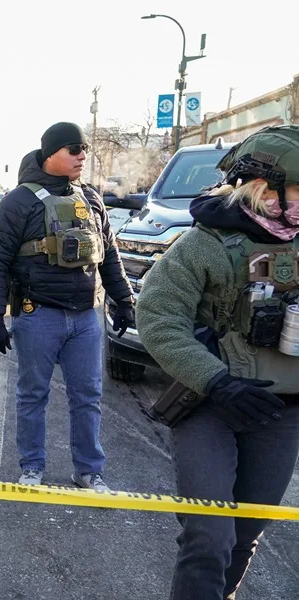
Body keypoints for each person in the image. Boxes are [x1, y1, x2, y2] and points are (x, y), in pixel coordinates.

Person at [137, 125, 299, 600]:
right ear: (264, 189)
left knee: (246, 533)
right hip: (211, 406)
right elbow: (159, 318)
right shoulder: (203, 245)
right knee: (209, 537)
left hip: (282, 413)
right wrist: (217, 382)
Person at [0, 122, 134, 490]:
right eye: (73, 149)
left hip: (86, 317)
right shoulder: (18, 202)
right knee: (33, 395)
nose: (82, 155)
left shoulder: (91, 199)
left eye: (84, 148)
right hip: (38, 315)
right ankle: (32, 467)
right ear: (51, 153)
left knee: (88, 397)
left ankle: (89, 470)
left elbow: (109, 255)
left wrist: (125, 300)